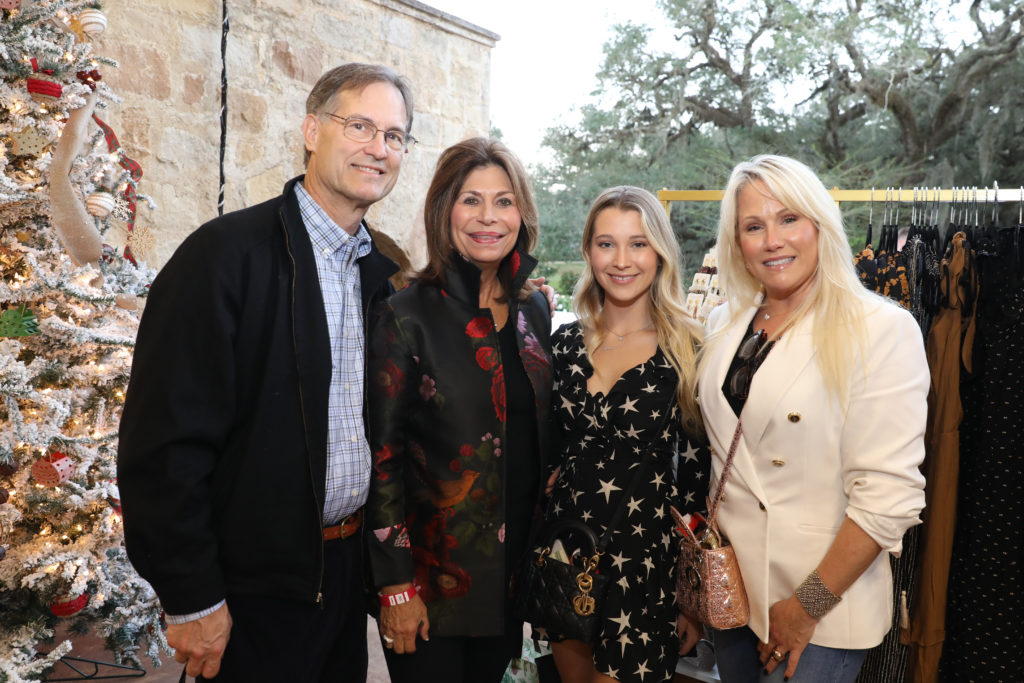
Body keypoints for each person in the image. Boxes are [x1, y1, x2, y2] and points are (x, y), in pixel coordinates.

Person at [117, 63, 414, 682]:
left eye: (394, 135)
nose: (378, 148)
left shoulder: (381, 274)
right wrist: (192, 593)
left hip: (342, 575)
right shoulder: (223, 256)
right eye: (359, 125)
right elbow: (163, 443)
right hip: (251, 588)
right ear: (312, 129)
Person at [697, 154, 927, 682]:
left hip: (819, 609)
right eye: (754, 226)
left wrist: (804, 608)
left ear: (820, 225)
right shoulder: (724, 321)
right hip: (734, 599)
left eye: (789, 219)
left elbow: (888, 497)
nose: (773, 240)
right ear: (737, 242)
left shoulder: (879, 329)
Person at [365, 137, 553, 682]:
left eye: (503, 201)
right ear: (444, 209)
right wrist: (395, 585)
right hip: (432, 587)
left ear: (522, 212)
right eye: (471, 200)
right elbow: (382, 459)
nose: (488, 217)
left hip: (514, 579)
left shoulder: (533, 308)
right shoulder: (405, 313)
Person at [543, 186, 710, 683]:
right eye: (606, 243)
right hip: (566, 555)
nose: (621, 260)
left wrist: (692, 599)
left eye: (638, 243)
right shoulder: (564, 344)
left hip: (644, 569)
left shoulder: (689, 351)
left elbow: (698, 483)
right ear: (587, 251)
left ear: (660, 252)